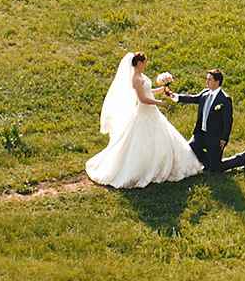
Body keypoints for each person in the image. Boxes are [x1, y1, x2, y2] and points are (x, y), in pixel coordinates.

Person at [85, 54, 204, 187]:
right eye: (144, 62)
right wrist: (159, 103)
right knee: (140, 141)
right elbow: (142, 99)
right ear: (139, 63)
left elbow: (148, 92)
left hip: (152, 113)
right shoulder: (135, 78)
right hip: (144, 113)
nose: (146, 64)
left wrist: (162, 89)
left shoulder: (142, 76)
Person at [177, 69, 245, 172]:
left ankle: (242, 159)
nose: (206, 82)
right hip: (201, 134)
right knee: (191, 146)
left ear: (217, 82)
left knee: (216, 168)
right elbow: (193, 99)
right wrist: (175, 97)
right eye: (207, 79)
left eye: (209, 80)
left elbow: (228, 121)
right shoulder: (205, 93)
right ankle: (208, 163)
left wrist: (224, 138)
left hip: (215, 138)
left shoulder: (224, 99)